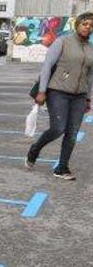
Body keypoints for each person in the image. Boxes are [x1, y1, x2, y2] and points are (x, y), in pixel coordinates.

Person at [25, 12, 93, 181]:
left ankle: (62, 167)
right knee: (58, 128)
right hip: (58, 92)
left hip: (79, 96)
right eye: (85, 24)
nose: (88, 27)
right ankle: (35, 149)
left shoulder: (91, 49)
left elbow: (90, 75)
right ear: (77, 24)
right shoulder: (62, 42)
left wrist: (88, 98)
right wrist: (42, 91)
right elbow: (47, 66)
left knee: (72, 133)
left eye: (91, 25)